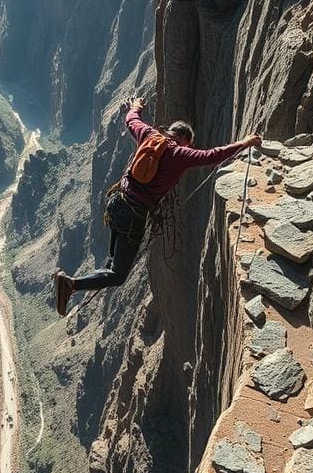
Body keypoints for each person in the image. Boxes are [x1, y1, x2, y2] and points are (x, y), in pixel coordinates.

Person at [53, 96, 262, 315]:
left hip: (116, 204)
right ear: (183, 139)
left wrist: (136, 107)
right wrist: (244, 143)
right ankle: (71, 284)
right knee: (118, 275)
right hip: (134, 216)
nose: (189, 148)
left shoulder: (149, 135)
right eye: (188, 144)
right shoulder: (180, 153)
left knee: (114, 258)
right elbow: (212, 156)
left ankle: (85, 279)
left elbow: (131, 120)